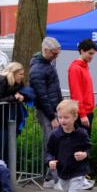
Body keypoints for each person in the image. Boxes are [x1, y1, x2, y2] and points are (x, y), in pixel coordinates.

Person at [47, 100, 92, 192]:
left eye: (66, 117)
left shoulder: (81, 134)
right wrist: (50, 161)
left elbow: (89, 147)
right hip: (63, 173)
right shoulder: (55, 135)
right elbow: (49, 151)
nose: (62, 121)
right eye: (60, 117)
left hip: (78, 173)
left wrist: (84, 154)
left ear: (75, 117)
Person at [28, 36, 64, 180]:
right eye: (54, 53)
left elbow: (54, 89)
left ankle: (52, 176)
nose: (56, 56)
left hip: (54, 109)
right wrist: (51, 116)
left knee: (55, 141)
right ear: (45, 50)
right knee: (51, 143)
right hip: (47, 111)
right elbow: (42, 96)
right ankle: (52, 177)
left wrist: (60, 107)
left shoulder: (48, 65)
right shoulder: (37, 69)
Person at [68, 38, 97, 131]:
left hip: (87, 111)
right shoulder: (75, 68)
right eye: (90, 53)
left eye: (93, 54)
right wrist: (82, 114)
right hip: (82, 113)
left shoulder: (85, 67)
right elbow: (76, 93)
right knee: (81, 142)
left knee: (85, 142)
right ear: (82, 51)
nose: (92, 56)